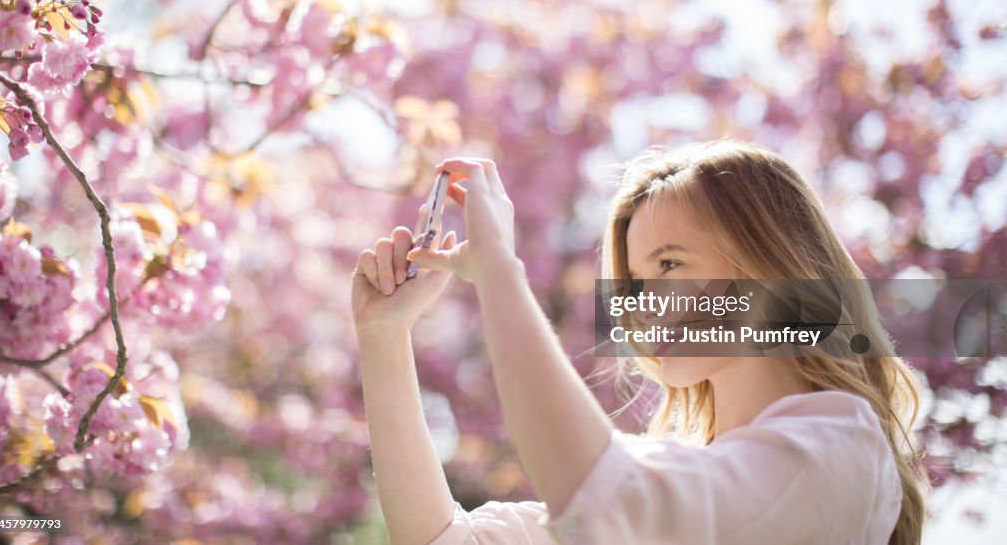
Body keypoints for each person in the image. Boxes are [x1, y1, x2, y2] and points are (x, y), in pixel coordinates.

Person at [350, 139, 928, 545]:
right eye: (633, 282)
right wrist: (384, 338)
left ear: (771, 262)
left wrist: (499, 267)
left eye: (670, 263)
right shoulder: (679, 473)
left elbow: (605, 498)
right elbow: (443, 539)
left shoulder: (839, 447)